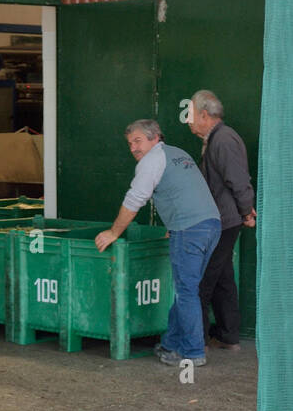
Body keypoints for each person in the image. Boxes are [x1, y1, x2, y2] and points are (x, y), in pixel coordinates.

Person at [95, 118, 220, 366]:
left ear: (155, 137)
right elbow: (184, 190)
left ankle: (193, 353)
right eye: (130, 143)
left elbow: (134, 200)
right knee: (186, 290)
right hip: (211, 224)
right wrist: (173, 228)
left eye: (138, 141)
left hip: (190, 228)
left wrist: (114, 232)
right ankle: (171, 344)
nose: (133, 148)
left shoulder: (152, 160)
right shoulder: (177, 153)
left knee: (186, 291)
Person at [188, 89, 256, 352]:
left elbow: (237, 180)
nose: (189, 120)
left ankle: (196, 340)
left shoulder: (223, 140)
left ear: (204, 115)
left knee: (204, 278)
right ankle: (229, 335)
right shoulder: (217, 138)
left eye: (191, 114)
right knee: (223, 277)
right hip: (225, 219)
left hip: (223, 221)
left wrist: (246, 210)